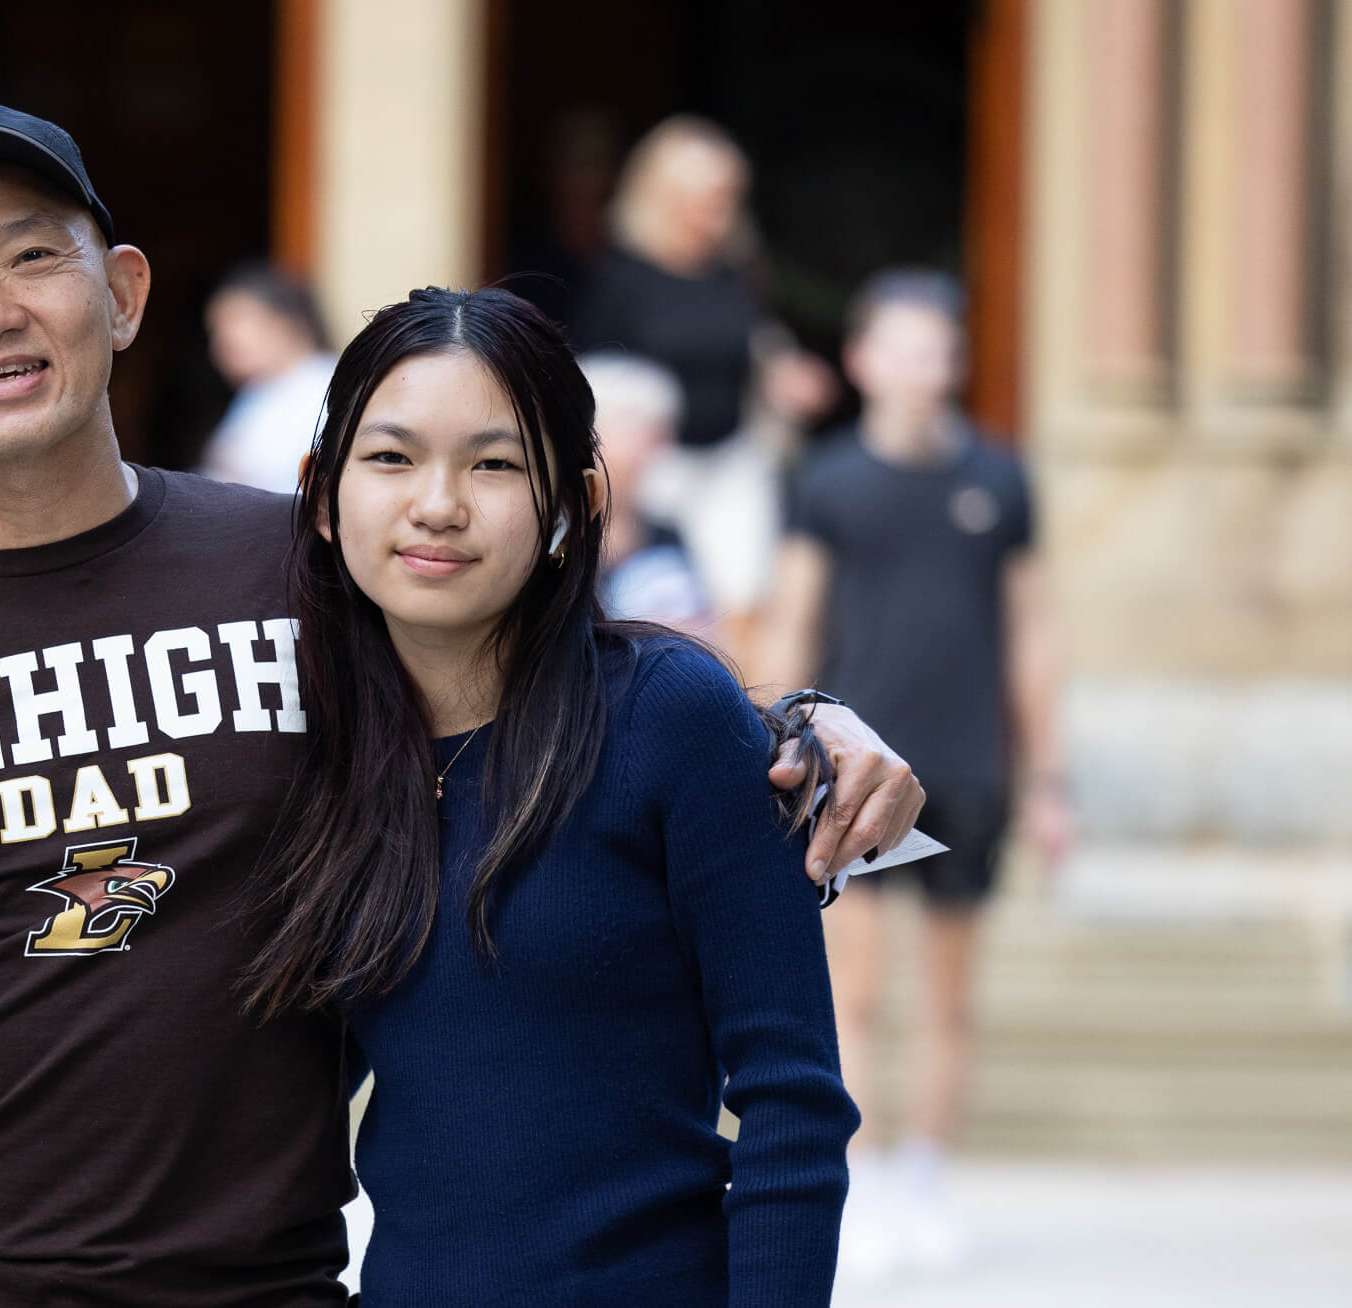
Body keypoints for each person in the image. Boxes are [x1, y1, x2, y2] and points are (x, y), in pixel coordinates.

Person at [0, 101, 922, 1307]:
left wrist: (799, 724)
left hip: (264, 1288)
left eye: (33, 255)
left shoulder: (302, 573)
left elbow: (538, 674)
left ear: (123, 294)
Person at [247, 286, 856, 1304]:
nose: (437, 504)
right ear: (321, 492)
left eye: (493, 464)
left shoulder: (670, 715)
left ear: (572, 502)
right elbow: (277, 1110)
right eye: (391, 458)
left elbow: (792, 1102)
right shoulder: (314, 750)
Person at [758, 268, 1068, 1279]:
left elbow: (1030, 630)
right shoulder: (830, 480)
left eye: (938, 349)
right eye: (900, 347)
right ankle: (867, 1176)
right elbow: (795, 617)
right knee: (854, 990)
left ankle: (929, 1174)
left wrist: (1051, 777)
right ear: (863, 360)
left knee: (949, 995)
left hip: (970, 767)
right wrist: (779, 739)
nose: (920, 368)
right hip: (855, 771)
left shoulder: (1001, 478)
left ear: (957, 361)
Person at [572, 115, 832, 640]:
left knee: (743, 609)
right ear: (661, 195)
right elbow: (594, 380)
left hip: (732, 463)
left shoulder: (736, 271)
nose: (719, 210)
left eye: (728, 196)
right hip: (655, 470)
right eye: (704, 195)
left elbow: (759, 347)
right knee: (662, 611)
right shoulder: (620, 275)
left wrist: (786, 377)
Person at [582, 350, 712, 628]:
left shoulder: (665, 534)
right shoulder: (555, 540)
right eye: (652, 436)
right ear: (596, 440)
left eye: (667, 436)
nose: (665, 452)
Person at [198, 260, 336, 491]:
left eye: (235, 322)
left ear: (284, 324)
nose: (222, 342)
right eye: (215, 331)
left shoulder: (327, 387)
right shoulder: (256, 390)